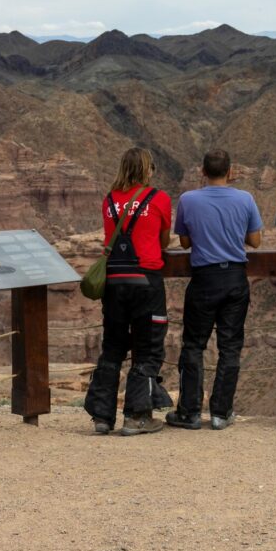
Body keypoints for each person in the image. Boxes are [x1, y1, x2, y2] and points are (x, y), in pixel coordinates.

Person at [166, 149, 263, 431]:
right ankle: (221, 413)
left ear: (202, 172)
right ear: (231, 172)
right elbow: (255, 241)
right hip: (235, 278)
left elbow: (184, 242)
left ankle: (190, 412)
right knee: (230, 347)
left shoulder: (188, 199)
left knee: (194, 345)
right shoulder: (245, 199)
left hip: (204, 279)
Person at [84, 147, 174, 436]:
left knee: (112, 346)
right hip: (146, 281)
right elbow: (164, 241)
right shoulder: (158, 198)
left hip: (114, 282)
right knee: (148, 349)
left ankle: (102, 416)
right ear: (147, 169)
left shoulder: (109, 200)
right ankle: (137, 416)